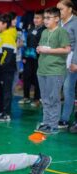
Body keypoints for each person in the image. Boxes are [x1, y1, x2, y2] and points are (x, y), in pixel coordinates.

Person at [35, 7, 71, 134]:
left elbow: (67, 49)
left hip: (55, 71)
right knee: (45, 99)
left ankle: (53, 125)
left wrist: (49, 50)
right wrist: (39, 49)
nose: (45, 20)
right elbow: (42, 46)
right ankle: (46, 123)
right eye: (44, 18)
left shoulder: (61, 32)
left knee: (53, 98)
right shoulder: (44, 32)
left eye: (48, 18)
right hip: (42, 70)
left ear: (57, 18)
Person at [0, 13, 18, 122]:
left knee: (6, 91)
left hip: (6, 69)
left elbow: (7, 55)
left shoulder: (8, 36)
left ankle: (6, 113)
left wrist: (1, 66)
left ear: (4, 24)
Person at [57, 0, 77, 129]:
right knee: (57, 91)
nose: (59, 12)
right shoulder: (58, 23)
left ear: (70, 9)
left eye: (61, 9)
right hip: (58, 61)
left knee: (68, 90)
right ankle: (55, 117)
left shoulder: (75, 22)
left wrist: (75, 62)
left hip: (71, 60)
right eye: (58, 9)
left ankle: (64, 119)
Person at [19, 10, 46, 107]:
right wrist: (24, 56)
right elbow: (27, 43)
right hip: (28, 57)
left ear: (43, 20)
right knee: (26, 77)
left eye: (38, 18)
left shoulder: (45, 30)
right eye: (35, 18)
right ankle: (26, 97)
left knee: (37, 78)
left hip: (39, 58)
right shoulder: (31, 28)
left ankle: (37, 98)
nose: (35, 20)